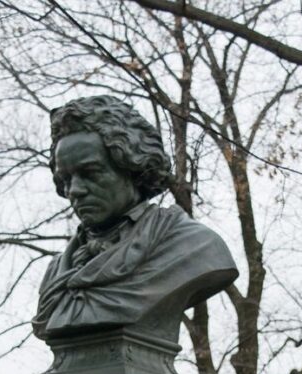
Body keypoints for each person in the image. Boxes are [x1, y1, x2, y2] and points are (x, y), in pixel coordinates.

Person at [34, 96, 237, 346]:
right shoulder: (57, 272)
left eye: (91, 173)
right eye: (66, 179)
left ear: (133, 168)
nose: (74, 190)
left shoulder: (194, 246)